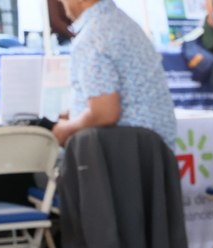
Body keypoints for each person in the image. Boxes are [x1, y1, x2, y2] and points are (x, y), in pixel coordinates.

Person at [52, 0, 177, 147]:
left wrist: (65, 129)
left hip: (123, 156)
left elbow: (105, 113)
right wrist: (76, 114)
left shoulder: (93, 36)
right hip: (152, 154)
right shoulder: (121, 23)